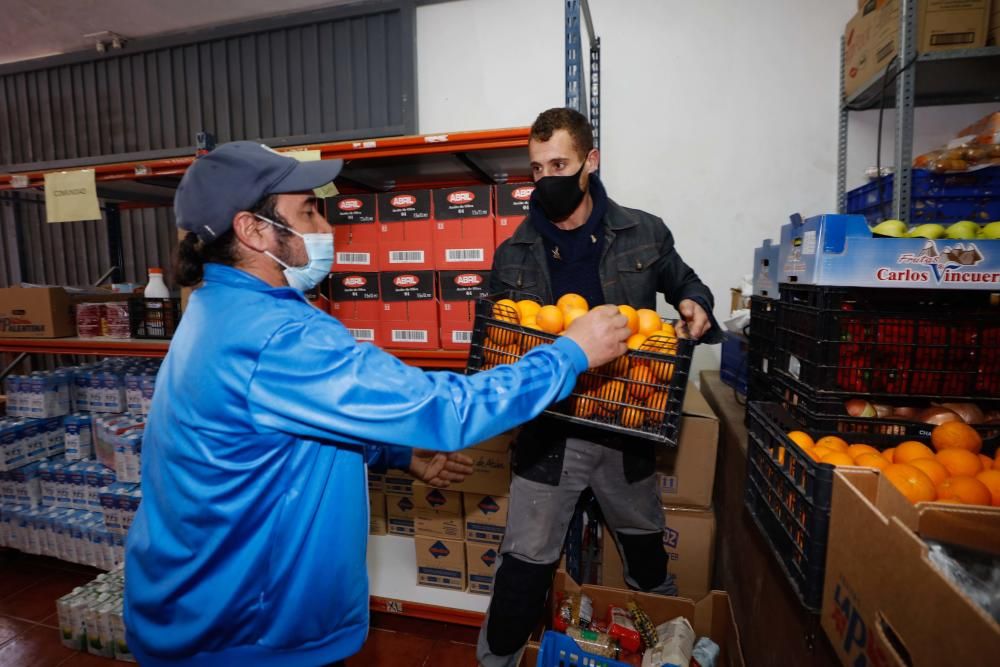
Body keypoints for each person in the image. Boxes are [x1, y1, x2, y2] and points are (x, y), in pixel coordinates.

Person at [123, 141, 633, 667]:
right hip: (245, 633)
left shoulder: (219, 307)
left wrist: (394, 454)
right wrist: (569, 354)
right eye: (308, 211)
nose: (325, 226)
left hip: (202, 606)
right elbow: (447, 410)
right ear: (253, 230)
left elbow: (280, 435)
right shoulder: (278, 337)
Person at [476, 108, 723, 667]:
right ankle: (495, 661)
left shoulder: (644, 231)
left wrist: (695, 305)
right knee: (524, 567)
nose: (547, 179)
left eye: (559, 164)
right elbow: (498, 341)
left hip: (626, 425)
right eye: (536, 169)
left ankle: (667, 652)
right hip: (548, 432)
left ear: (591, 161)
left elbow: (686, 281)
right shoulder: (513, 253)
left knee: (645, 552)